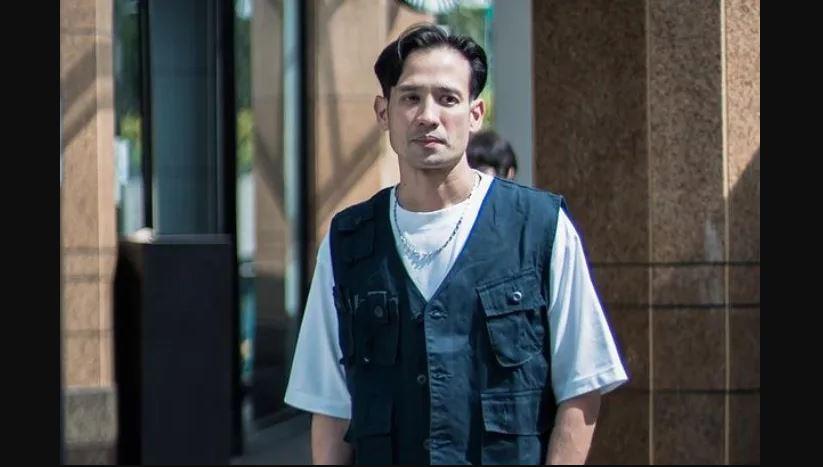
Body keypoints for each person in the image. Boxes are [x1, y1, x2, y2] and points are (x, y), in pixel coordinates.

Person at [284, 23, 627, 465]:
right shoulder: (348, 241)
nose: (428, 116)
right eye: (410, 98)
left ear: (475, 113)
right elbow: (331, 406)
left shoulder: (540, 227)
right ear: (383, 112)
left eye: (448, 99)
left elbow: (582, 386)